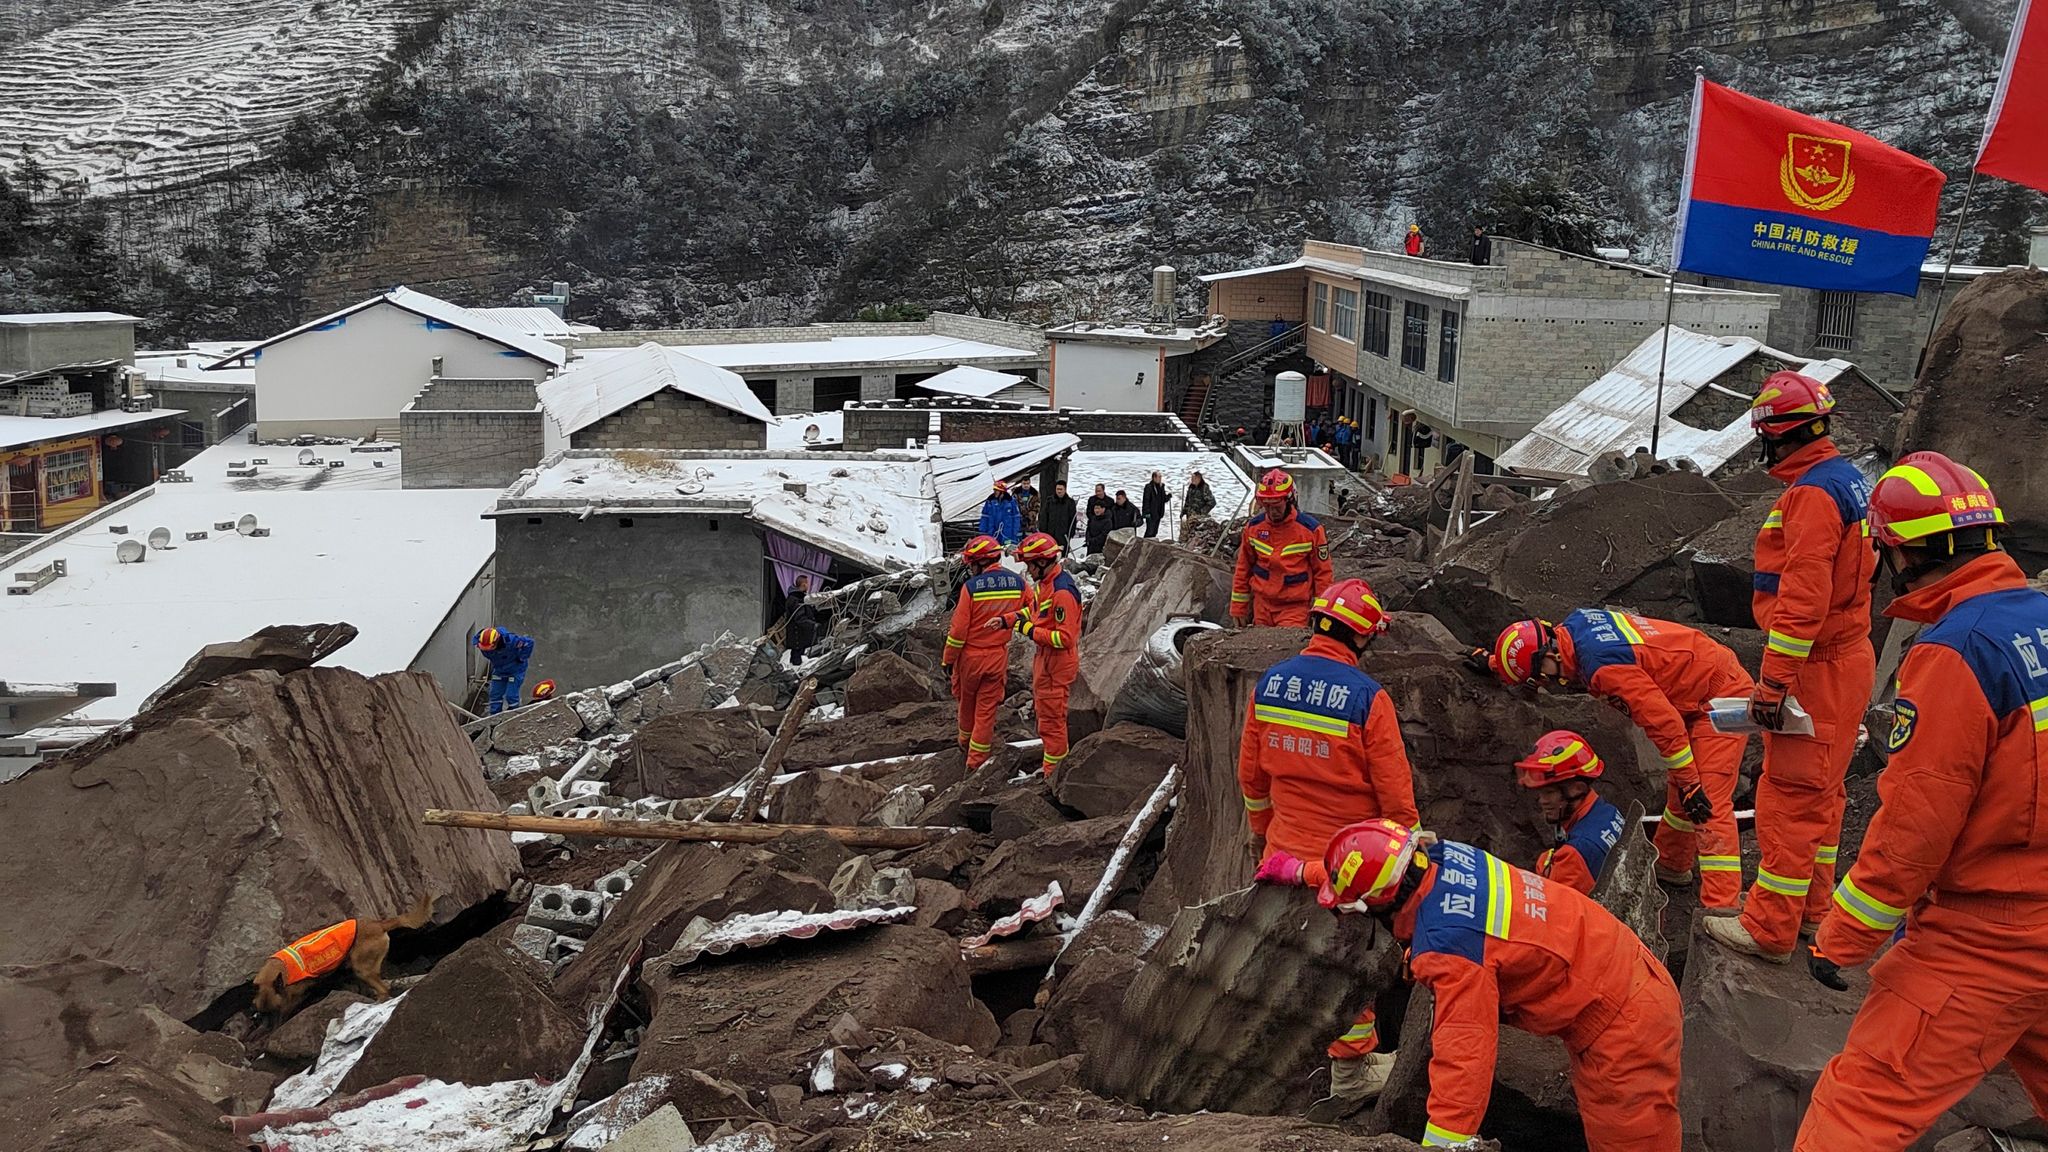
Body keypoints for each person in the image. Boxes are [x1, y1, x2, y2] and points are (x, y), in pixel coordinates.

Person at [1794, 453, 2044, 1152]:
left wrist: (1843, 937)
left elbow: (1914, 826)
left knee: (1859, 1110)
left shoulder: (1956, 651)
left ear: (1900, 554)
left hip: (1990, 936)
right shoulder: (2042, 620)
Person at [1317, 819, 1683, 1149]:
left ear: (1379, 905)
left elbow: (1464, 1057)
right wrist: (1303, 872)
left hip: (1624, 1023)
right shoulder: (1444, 856)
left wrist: (1442, 1143)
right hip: (1620, 973)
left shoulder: (1449, 948)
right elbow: (1380, 868)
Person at [1705, 371, 1875, 962]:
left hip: (1817, 665)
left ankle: (1770, 927)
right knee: (1824, 797)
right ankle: (1812, 912)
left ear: (1776, 436)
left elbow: (1803, 600)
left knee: (1789, 796)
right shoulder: (1848, 481)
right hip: (1848, 658)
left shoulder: (1810, 496)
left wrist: (1773, 682)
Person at [1240, 579, 1417, 1100]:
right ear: (1362, 638)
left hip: (1282, 853)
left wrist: (1261, 836)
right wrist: (1408, 858)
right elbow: (1396, 798)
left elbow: (1252, 779)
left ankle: (1274, 1061)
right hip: (1350, 866)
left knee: (1285, 953)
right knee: (1347, 969)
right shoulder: (1368, 698)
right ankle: (1349, 1078)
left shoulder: (1271, 683)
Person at [1484, 610, 1745, 912]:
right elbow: (1530, 650)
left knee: (1706, 801)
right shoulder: (1573, 628)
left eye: (1540, 675)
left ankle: (1723, 907)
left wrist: (1690, 782)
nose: (1544, 683)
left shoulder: (1604, 668)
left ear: (1550, 652)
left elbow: (1665, 724)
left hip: (1719, 696)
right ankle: (1671, 864)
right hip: (1694, 680)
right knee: (1681, 793)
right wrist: (1495, 663)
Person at [992, 533, 1083, 776]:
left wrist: (1031, 632)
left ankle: (1053, 775)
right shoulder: (1046, 585)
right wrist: (1006, 621)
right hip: (1047, 662)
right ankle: (1052, 769)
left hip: (1057, 665)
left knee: (1052, 722)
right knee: (1045, 719)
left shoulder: (1062, 592)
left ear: (1043, 562)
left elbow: (1064, 638)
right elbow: (1032, 612)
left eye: (1030, 564)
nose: (1028, 570)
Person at [943, 535, 1024, 770]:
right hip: (997, 656)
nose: (969, 569)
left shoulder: (971, 588)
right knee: (987, 709)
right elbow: (1032, 609)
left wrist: (948, 660)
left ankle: (964, 743)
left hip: (970, 657)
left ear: (980, 562)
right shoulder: (1017, 583)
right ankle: (976, 762)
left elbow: (958, 631)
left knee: (967, 702)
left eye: (971, 564)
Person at [1514, 730, 1626, 895]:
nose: (1542, 800)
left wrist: (1545, 863)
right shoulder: (1609, 812)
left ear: (1577, 789)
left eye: (1549, 792)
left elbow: (1551, 906)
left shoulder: (1573, 855)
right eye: (1540, 792)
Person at [1231, 468, 1332, 628]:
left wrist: (1321, 610)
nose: (1272, 511)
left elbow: (1323, 573)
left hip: (1294, 607)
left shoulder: (1310, 530)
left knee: (1286, 647)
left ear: (1289, 500)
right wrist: (1238, 607)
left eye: (1276, 506)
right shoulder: (1253, 528)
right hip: (1261, 606)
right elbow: (1243, 568)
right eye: (1267, 506)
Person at [476, 626, 535, 715]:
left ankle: (514, 715)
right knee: (495, 695)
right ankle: (494, 719)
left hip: (515, 670)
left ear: (496, 642)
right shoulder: (480, 642)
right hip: (499, 670)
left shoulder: (512, 641)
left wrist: (522, 658)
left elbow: (529, 643)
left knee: (511, 696)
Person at [775, 574, 821, 666]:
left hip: (799, 637)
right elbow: (799, 618)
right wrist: (813, 625)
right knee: (797, 660)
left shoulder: (798, 598)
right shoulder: (796, 600)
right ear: (803, 585)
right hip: (797, 637)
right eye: (807, 583)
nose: (808, 586)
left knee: (797, 657)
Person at [977, 481, 1023, 546]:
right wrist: (983, 532)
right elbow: (984, 517)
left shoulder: (1011, 502)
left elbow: (1016, 518)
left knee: (1009, 553)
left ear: (1002, 491)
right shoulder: (990, 501)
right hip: (993, 533)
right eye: (994, 490)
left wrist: (1015, 533)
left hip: (1008, 534)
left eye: (997, 490)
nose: (995, 492)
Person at [1042, 480, 1078, 555]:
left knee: (1062, 555)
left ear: (1065, 489)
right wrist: (1043, 531)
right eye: (1057, 489)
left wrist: (1071, 534)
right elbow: (1044, 517)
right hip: (1050, 534)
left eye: (1061, 489)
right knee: (1049, 554)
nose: (1059, 491)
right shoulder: (1049, 501)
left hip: (1063, 535)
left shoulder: (1070, 503)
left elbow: (1073, 520)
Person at [1181, 470, 1216, 538]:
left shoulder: (1204, 488)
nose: (1192, 480)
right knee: (1187, 532)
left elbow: (1212, 502)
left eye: (1194, 478)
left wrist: (1202, 512)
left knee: (1195, 534)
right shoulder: (1191, 487)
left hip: (1199, 517)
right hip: (1190, 515)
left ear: (1199, 478)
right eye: (1191, 478)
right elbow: (1187, 501)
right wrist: (1184, 511)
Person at [1084, 484, 1113, 556]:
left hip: (1100, 544)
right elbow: (1088, 529)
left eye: (1099, 491)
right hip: (1093, 524)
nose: (1097, 493)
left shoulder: (1110, 501)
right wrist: (1088, 539)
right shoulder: (1092, 500)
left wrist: (1093, 540)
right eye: (1096, 491)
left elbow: (1104, 535)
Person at [1141, 471, 1171, 538]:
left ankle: (1151, 545)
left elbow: (1163, 499)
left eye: (1161, 477)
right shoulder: (1149, 487)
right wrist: (1146, 513)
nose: (1160, 479)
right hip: (1151, 514)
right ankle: (1145, 544)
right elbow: (1146, 500)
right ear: (1154, 478)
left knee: (1155, 531)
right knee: (1150, 531)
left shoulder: (1161, 487)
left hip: (1158, 513)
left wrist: (1168, 497)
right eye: (1159, 477)